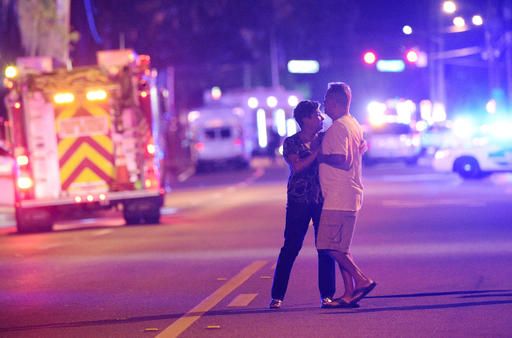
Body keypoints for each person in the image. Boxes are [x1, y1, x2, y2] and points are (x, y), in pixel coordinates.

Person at [269, 100, 339, 309]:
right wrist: (317, 152)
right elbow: (297, 166)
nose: (321, 118)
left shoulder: (327, 138)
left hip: (322, 198)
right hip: (299, 200)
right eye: (317, 114)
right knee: (291, 247)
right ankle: (277, 296)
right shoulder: (291, 143)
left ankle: (327, 295)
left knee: (325, 247)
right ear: (305, 119)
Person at [316, 82, 376, 306]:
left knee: (327, 246)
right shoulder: (353, 124)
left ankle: (361, 280)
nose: (324, 105)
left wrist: (320, 157)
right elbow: (360, 150)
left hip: (339, 196)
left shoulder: (339, 127)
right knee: (341, 247)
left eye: (325, 101)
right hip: (347, 194)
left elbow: (343, 160)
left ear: (334, 102)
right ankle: (349, 293)